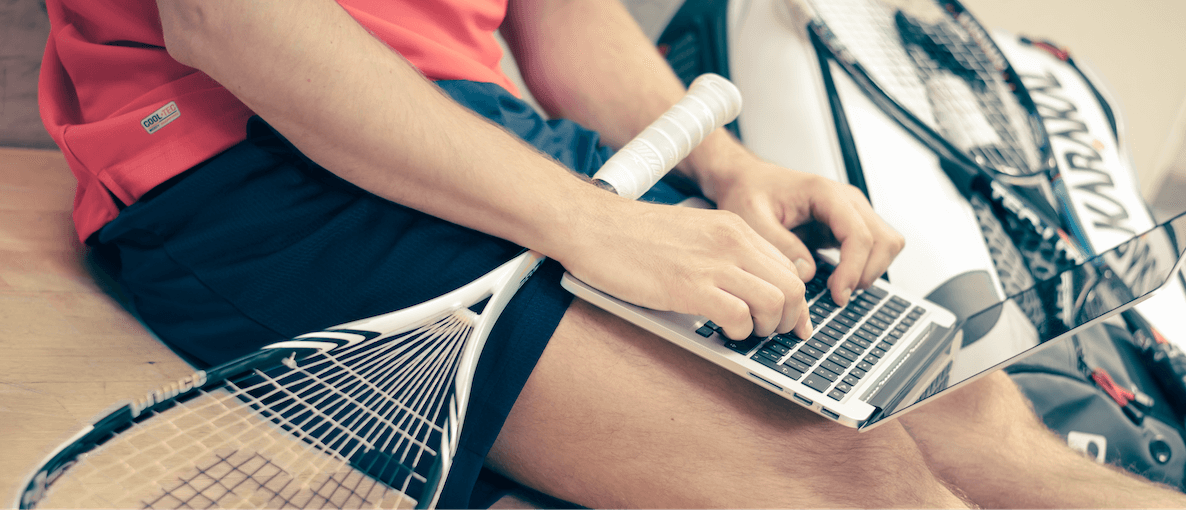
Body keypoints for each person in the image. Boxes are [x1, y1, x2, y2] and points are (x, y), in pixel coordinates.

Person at [38, 0, 1186, 507]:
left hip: (488, 130)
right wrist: (594, 224)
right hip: (234, 149)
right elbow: (232, 24)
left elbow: (566, 20)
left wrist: (728, 170)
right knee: (853, 484)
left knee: (974, 416)